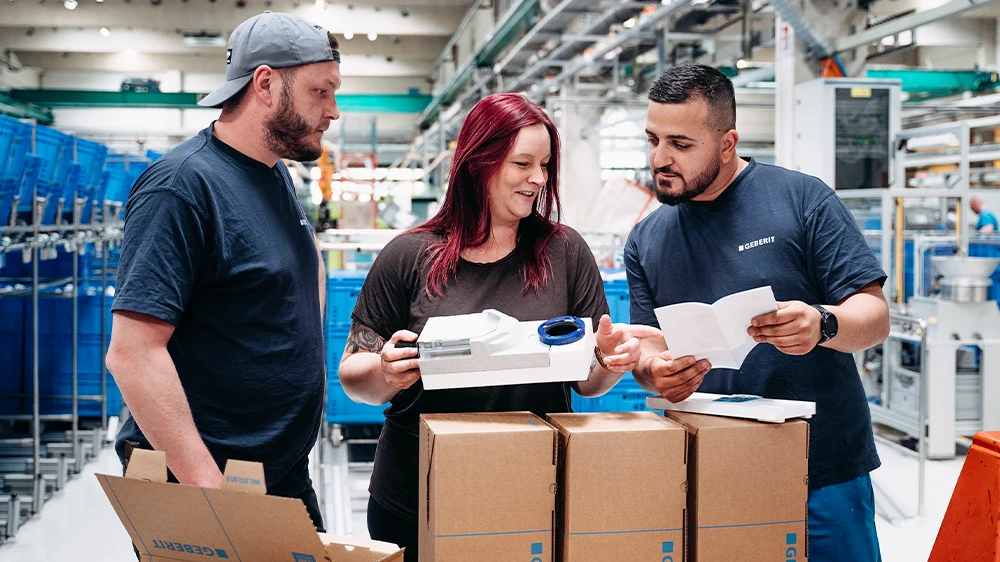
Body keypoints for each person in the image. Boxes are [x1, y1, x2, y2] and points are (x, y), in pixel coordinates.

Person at [339, 93, 661, 561]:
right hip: (417, 494)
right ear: (478, 162)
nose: (538, 178)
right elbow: (353, 376)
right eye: (522, 163)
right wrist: (386, 372)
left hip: (534, 489)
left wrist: (610, 360)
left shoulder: (565, 252)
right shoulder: (410, 255)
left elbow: (588, 383)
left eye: (545, 165)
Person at [625, 64, 889, 562]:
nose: (660, 159)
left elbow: (873, 315)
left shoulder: (801, 199)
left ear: (728, 144)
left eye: (681, 144)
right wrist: (654, 371)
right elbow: (647, 344)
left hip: (821, 470)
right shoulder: (647, 238)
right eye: (653, 139)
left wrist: (822, 324)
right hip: (710, 470)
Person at [106, 11, 340, 537]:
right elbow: (133, 353)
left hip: (274, 468)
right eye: (321, 93)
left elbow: (299, 272)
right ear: (265, 84)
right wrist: (208, 491)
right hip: (205, 480)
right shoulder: (182, 188)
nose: (334, 111)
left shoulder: (274, 173)